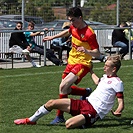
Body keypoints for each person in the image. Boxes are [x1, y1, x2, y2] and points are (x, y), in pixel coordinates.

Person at [14, 55, 124, 129]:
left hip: (94, 111)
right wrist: (91, 70)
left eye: (106, 66)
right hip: (85, 103)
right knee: (51, 103)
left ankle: (86, 121)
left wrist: (118, 111)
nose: (104, 68)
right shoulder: (105, 77)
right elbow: (97, 82)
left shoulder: (117, 82)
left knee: (68, 124)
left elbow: (121, 102)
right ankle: (30, 120)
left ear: (114, 69)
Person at [42, 7, 102, 124]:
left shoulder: (89, 33)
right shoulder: (74, 26)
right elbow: (68, 31)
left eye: (73, 20)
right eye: (70, 20)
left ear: (80, 18)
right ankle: (85, 92)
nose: (71, 23)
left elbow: (97, 53)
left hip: (83, 63)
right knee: (66, 89)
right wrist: (53, 37)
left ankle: (59, 116)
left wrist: (86, 51)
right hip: (71, 61)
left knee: (63, 86)